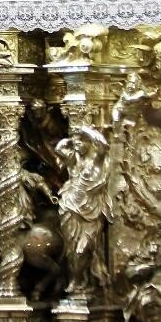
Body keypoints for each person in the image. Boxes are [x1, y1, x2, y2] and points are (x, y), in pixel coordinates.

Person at [56, 126, 112, 295]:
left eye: (82, 141)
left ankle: (79, 280)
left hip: (90, 211)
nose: (78, 144)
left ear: (89, 143)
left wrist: (85, 130)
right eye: (77, 142)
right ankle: (79, 281)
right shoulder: (75, 160)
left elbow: (103, 146)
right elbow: (59, 149)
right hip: (71, 206)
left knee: (83, 249)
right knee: (71, 249)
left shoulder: (96, 160)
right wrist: (72, 140)